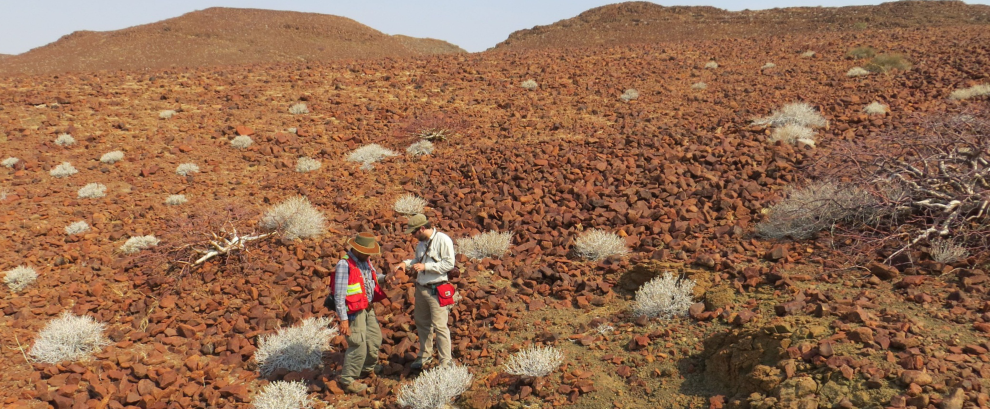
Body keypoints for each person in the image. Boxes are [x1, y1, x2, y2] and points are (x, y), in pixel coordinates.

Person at [394, 213, 456, 370]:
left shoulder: (443, 240)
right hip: (421, 288)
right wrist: (405, 264)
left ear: (422, 228)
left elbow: (449, 264)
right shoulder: (421, 244)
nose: (413, 236)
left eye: (414, 232)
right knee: (422, 323)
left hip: (437, 289)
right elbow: (418, 261)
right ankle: (425, 355)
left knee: (440, 326)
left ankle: (445, 362)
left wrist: (426, 267)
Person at [332, 232, 387, 394]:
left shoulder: (365, 261)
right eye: (367, 251)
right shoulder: (344, 265)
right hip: (353, 311)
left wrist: (386, 278)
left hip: (367, 307)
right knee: (358, 344)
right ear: (356, 249)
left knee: (374, 339)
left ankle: (366, 368)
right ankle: (348, 380)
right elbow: (339, 295)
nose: (370, 255)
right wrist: (343, 320)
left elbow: (373, 278)